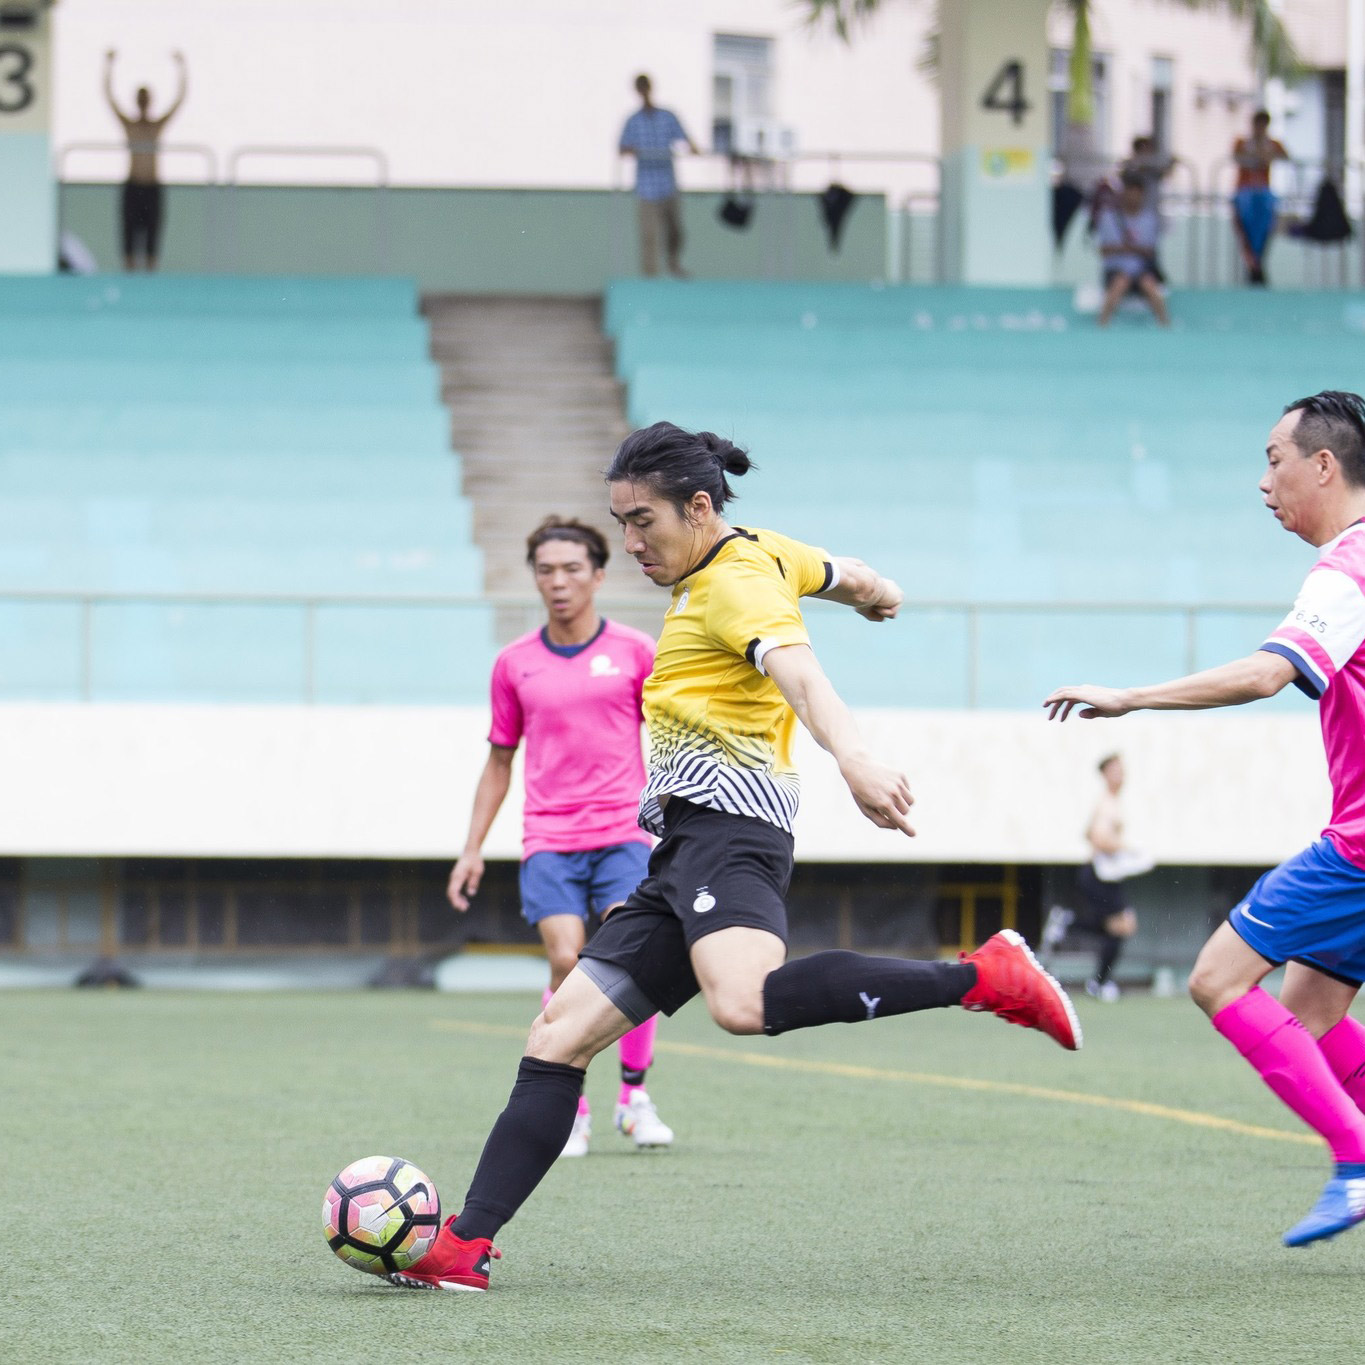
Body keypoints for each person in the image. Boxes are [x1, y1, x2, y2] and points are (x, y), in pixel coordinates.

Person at [390, 422, 1081, 1293]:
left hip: (732, 833)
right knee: (558, 1035)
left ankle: (983, 976)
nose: (632, 543)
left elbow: (799, 673)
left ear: (700, 506)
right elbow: (853, 575)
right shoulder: (767, 552)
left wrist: (854, 755)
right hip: (680, 850)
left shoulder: (737, 584)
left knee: (742, 1002)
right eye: (621, 521)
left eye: (642, 522)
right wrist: (878, 593)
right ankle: (465, 1245)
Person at [1044, 390, 1365, 1248]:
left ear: (1323, 465)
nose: (1263, 481)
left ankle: (1353, 1157)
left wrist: (1129, 697)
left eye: (1273, 458)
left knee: (1217, 978)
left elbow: (1267, 674)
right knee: (1309, 1008)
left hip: (1361, 847)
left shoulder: (1347, 569)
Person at [448, 516, 673, 1157]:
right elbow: (499, 762)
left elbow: (670, 739)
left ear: (598, 575)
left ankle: (635, 1098)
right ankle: (572, 1106)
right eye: (546, 569)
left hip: (623, 835)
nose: (559, 581)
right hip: (548, 838)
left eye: (572, 568)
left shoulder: (635, 652)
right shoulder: (514, 664)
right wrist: (471, 850)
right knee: (567, 961)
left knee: (632, 957)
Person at [1043, 754, 1153, 1001]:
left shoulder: (1111, 801)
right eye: (1116, 770)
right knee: (1123, 925)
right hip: (1098, 875)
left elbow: (1087, 833)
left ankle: (1069, 925)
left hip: (1104, 874)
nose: (1122, 774)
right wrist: (1128, 851)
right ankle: (1100, 981)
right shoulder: (1107, 804)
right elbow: (1100, 838)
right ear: (1105, 774)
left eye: (1122, 769)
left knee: (1117, 928)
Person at [103, 49, 187, 271]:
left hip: (152, 187)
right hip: (133, 186)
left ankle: (150, 285)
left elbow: (180, 99)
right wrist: (108, 65)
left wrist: (182, 67)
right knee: (129, 238)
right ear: (136, 101)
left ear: (150, 101)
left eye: (145, 98)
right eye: (140, 98)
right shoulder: (130, 126)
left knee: (152, 237)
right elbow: (109, 97)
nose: (143, 102)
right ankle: (130, 283)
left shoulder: (156, 127)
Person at [618, 75, 699, 278]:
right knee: (649, 234)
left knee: (675, 230)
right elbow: (622, 148)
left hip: (667, 185)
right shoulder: (633, 121)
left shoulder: (667, 116)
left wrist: (694, 148)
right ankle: (650, 276)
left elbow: (685, 139)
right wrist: (635, 151)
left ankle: (673, 263)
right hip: (646, 187)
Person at [1095, 172, 1170, 328]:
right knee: (1120, 283)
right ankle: (1102, 325)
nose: (1134, 198)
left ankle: (1165, 325)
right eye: (1131, 193)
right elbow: (1104, 250)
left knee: (1150, 286)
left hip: (1141, 270)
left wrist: (1127, 248)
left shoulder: (1149, 219)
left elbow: (1150, 251)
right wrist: (1127, 249)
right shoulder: (1108, 217)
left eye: (1138, 195)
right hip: (1116, 269)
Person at [1231, 110, 1289, 286]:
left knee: (1265, 230)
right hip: (1245, 193)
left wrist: (1267, 154)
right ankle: (1253, 267)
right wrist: (1256, 156)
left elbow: (1285, 156)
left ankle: (1258, 265)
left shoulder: (1271, 144)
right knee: (1245, 232)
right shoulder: (1243, 143)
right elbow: (1237, 158)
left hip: (1263, 195)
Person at [1119, 136, 1175, 218]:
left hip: (1151, 213)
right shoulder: (1129, 168)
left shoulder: (1153, 171)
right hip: (1131, 215)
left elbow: (1167, 173)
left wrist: (1171, 163)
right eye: (1143, 150)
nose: (1146, 155)